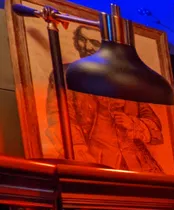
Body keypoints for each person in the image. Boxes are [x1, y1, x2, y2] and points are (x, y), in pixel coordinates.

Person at [45, 25, 166, 172]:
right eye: (82, 40)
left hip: (137, 165)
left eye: (94, 42)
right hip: (96, 163)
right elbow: (58, 118)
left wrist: (132, 123)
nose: (87, 47)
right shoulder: (65, 75)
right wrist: (80, 154)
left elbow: (155, 129)